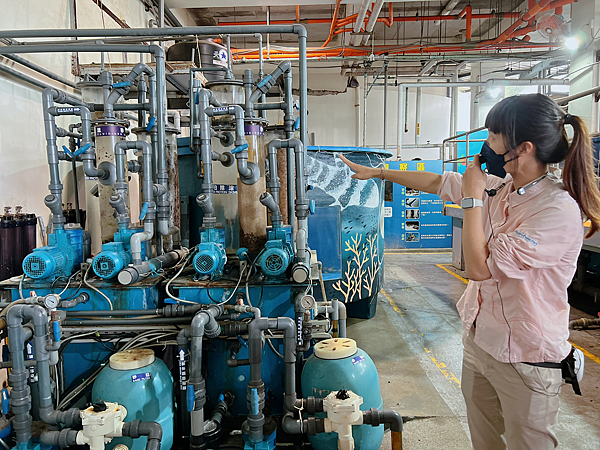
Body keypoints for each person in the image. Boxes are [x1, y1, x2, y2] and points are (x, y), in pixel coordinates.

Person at [340, 93, 600, 450]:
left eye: (493, 136)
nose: (485, 144)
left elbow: (478, 268)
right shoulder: (504, 187)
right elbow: (439, 182)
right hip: (481, 342)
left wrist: (473, 197)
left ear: (523, 148)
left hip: (526, 357)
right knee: (484, 441)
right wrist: (379, 172)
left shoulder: (555, 210)